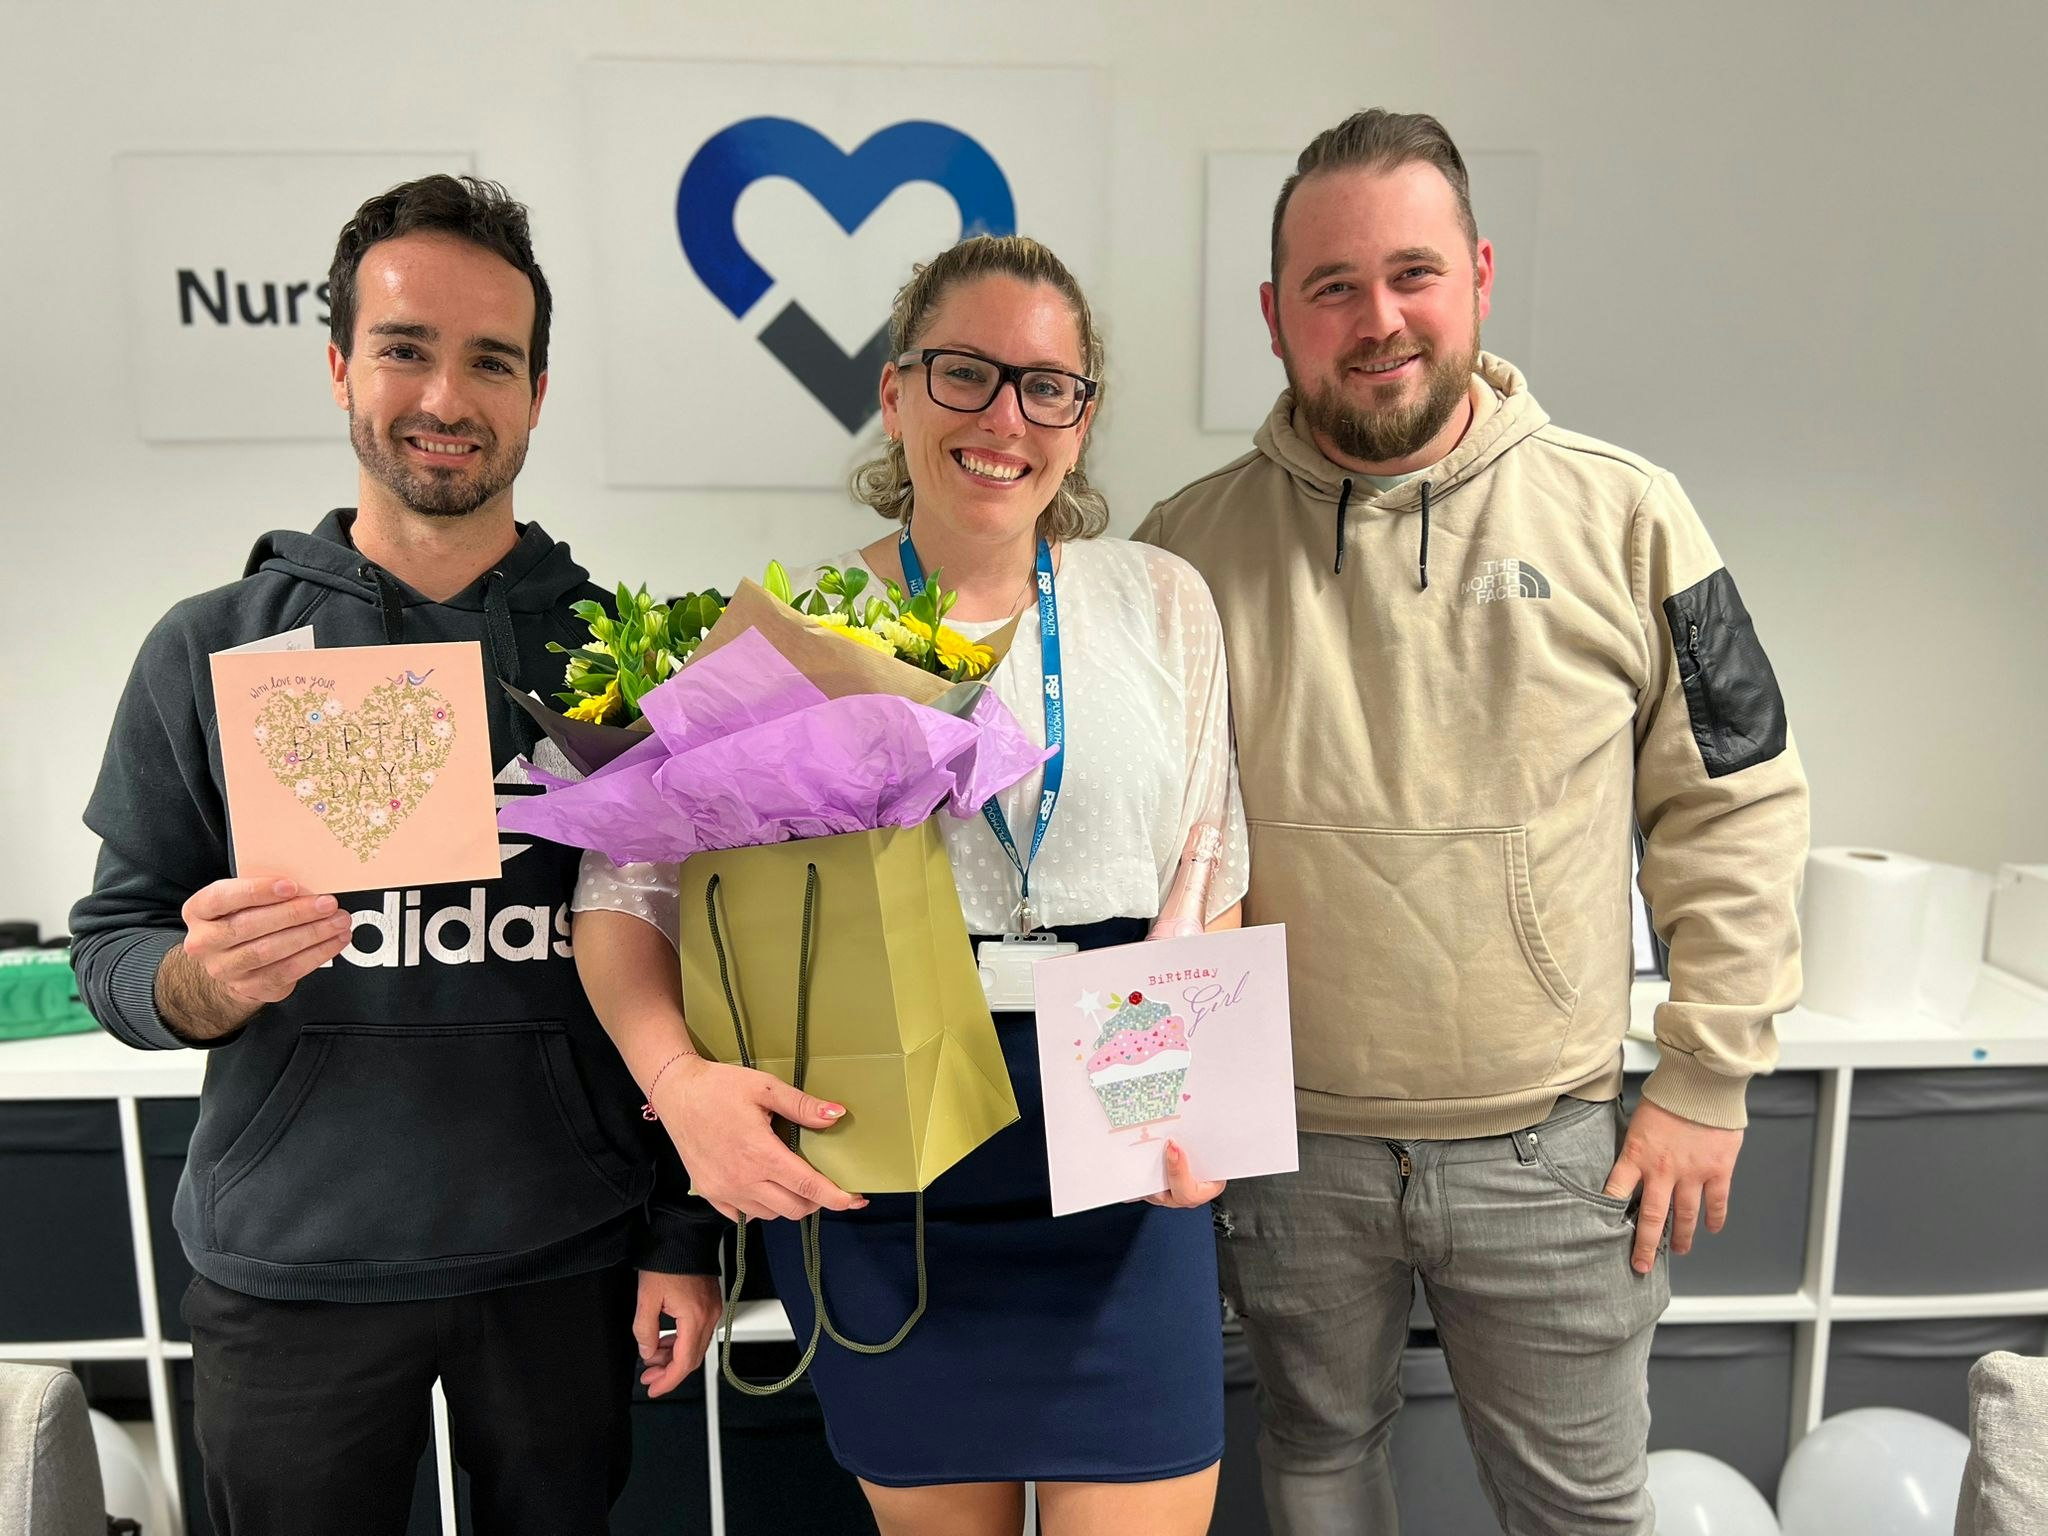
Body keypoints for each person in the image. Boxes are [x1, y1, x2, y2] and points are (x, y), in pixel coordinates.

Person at [1135, 110, 1810, 1535]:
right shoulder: (1182, 550)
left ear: (1480, 276)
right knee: (1315, 1464)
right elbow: (1146, 855)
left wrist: (1708, 1077)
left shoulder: (1634, 520)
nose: (1376, 318)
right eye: (1331, 286)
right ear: (1275, 315)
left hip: (1553, 1148)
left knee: (1579, 1507)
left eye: (1412, 273)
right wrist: (1157, 1102)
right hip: (1283, 1151)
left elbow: (1736, 796)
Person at [68, 174, 722, 1536]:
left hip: (566, 1253)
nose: (445, 396)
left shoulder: (626, 658)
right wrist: (195, 980)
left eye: (490, 359)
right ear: (339, 368)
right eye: (405, 349)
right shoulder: (215, 647)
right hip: (292, 1264)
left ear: (538, 390)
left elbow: (687, 972)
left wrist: (683, 1233)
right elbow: (112, 945)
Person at [573, 234, 1248, 1536]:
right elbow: (621, 898)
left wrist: (1202, 1107)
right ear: (894, 393)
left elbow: (1210, 863)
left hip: (1124, 1140)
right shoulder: (792, 626)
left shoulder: (1162, 602)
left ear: (1082, 419)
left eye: (1047, 385)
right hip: (883, 1164)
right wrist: (681, 1088)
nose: (1006, 418)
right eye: (964, 374)